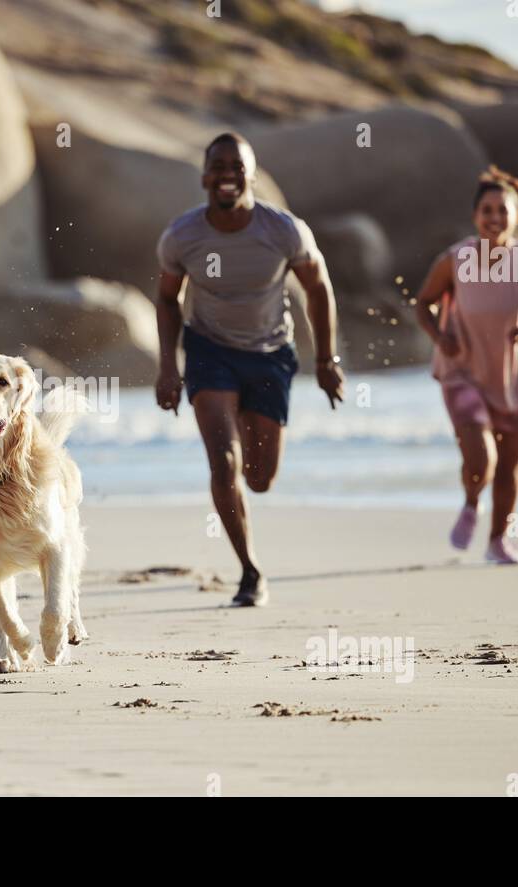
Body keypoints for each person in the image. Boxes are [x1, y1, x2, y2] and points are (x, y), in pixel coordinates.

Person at [154, 132, 344, 606]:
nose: (226, 175)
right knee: (224, 463)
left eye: (236, 167)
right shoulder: (182, 236)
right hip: (208, 350)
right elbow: (166, 296)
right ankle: (249, 570)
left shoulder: (284, 230)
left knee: (259, 479)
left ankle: (240, 415)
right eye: (217, 166)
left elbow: (318, 289)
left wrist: (325, 360)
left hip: (270, 355)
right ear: (204, 176)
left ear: (251, 176)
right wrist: (168, 367)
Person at [413, 165, 518, 565]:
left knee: (509, 465)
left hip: (515, 376)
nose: (494, 218)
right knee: (481, 460)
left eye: (503, 211)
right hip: (462, 370)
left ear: (517, 216)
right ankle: (472, 502)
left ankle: (498, 541)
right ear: (475, 215)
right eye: (487, 210)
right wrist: (439, 336)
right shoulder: (456, 259)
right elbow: (423, 303)